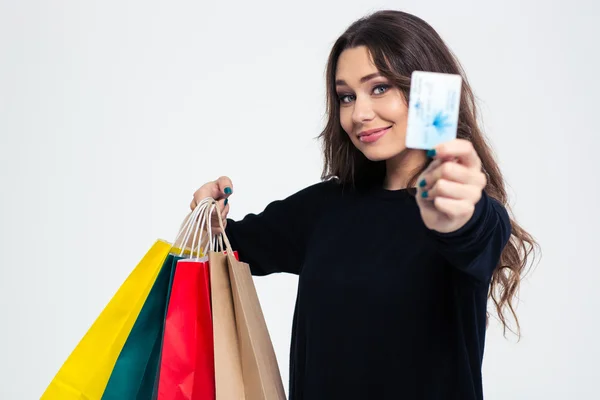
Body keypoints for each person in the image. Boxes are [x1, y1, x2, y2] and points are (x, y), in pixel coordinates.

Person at [188, 10, 537, 400]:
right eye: (347, 97)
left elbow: (478, 234)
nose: (359, 114)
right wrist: (209, 217)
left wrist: (453, 215)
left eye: (380, 88)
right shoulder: (323, 209)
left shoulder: (470, 216)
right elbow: (220, 251)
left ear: (423, 91)